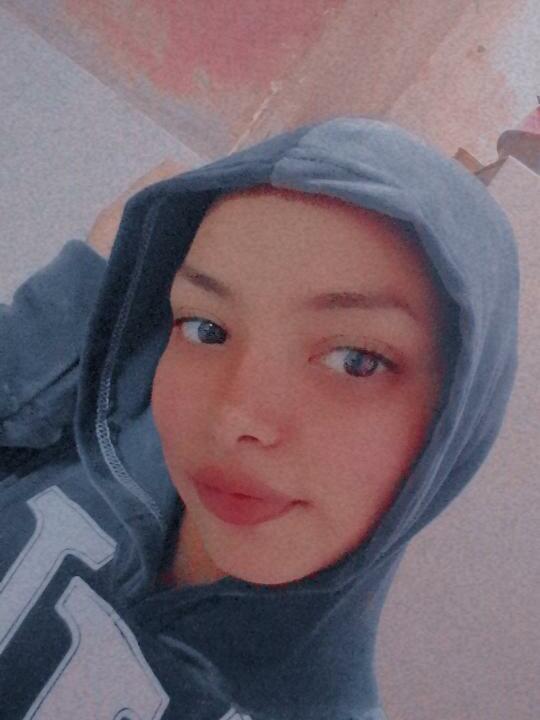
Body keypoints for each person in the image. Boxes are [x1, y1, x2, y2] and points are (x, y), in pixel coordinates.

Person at [0, 116, 520, 720]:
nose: (235, 418)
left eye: (355, 361)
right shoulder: (103, 437)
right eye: (206, 328)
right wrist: (88, 286)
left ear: (456, 420)